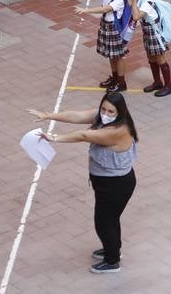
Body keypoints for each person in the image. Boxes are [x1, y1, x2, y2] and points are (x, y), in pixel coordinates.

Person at [29, 90, 137, 274]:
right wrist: (48, 116)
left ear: (120, 111)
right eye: (103, 109)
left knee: (103, 222)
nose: (105, 114)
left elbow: (84, 136)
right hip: (108, 182)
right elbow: (77, 116)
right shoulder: (104, 118)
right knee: (110, 219)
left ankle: (112, 262)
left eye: (111, 112)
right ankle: (113, 250)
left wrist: (54, 138)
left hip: (115, 185)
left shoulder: (118, 131)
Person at [61, 0, 130, 90]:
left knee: (118, 56)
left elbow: (105, 9)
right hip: (106, 26)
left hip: (114, 29)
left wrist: (85, 11)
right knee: (111, 55)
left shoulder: (119, 0)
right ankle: (114, 79)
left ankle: (121, 83)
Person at [128, 0, 171, 97]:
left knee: (160, 59)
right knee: (151, 58)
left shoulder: (147, 1)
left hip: (154, 34)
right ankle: (157, 82)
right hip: (147, 33)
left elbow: (136, 16)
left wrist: (132, 1)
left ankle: (168, 85)